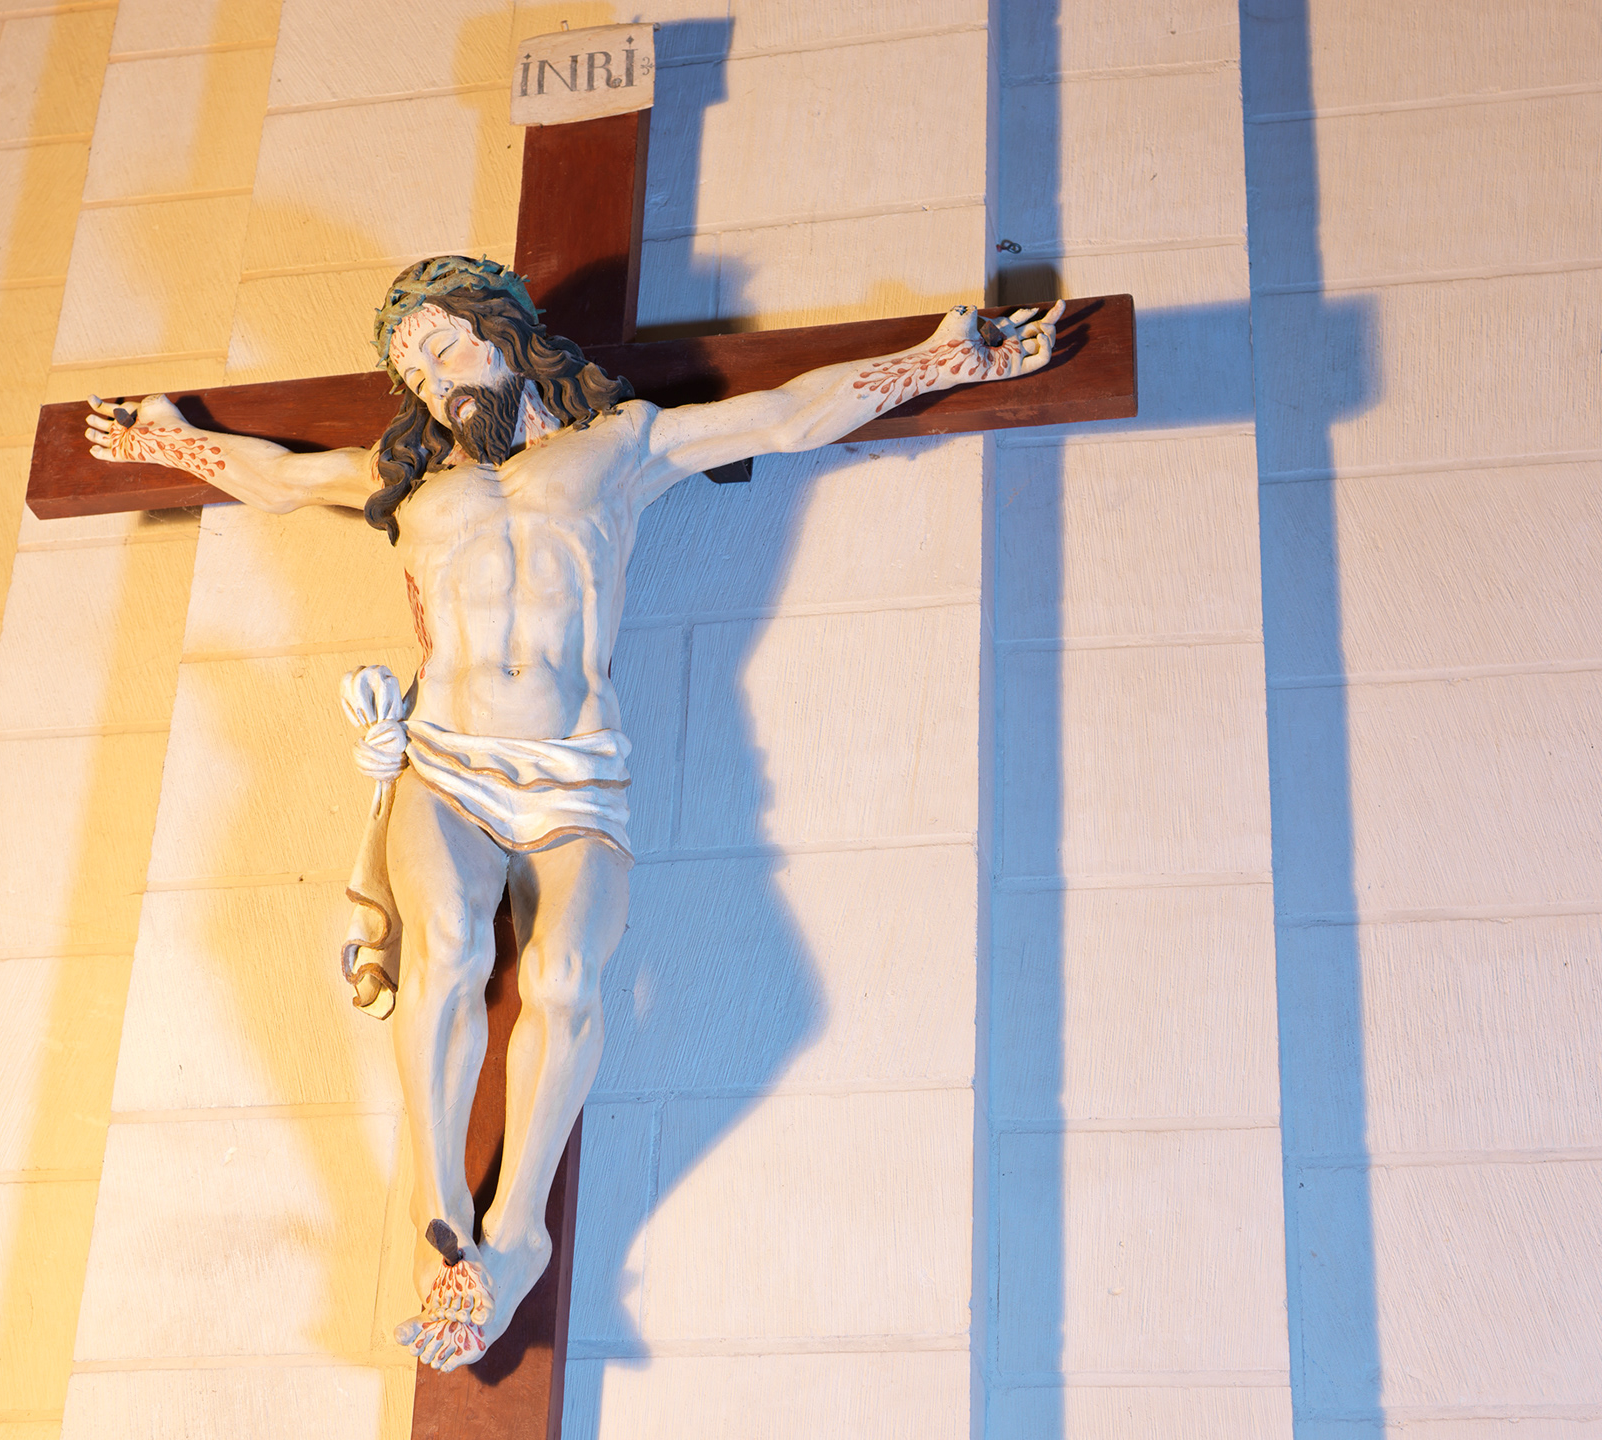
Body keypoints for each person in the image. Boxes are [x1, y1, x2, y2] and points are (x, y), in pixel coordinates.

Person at [84, 255, 1062, 1370]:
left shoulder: (625, 445)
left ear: (507, 332)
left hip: (575, 769)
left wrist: (943, 358)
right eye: (413, 366)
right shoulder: (403, 486)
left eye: (445, 342)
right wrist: (159, 439)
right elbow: (273, 477)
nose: (435, 375)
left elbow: (794, 416)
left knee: (564, 978)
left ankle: (519, 1232)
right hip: (447, 762)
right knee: (447, 947)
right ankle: (442, 1227)